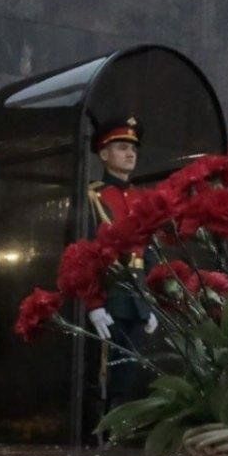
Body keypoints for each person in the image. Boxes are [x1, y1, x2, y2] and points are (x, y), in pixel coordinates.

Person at [85, 116, 156, 411]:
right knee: (105, 376)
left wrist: (151, 301)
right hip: (110, 295)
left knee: (130, 377)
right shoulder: (94, 195)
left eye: (134, 149)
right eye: (122, 147)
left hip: (137, 298)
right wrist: (93, 303)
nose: (130, 154)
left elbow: (150, 252)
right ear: (104, 154)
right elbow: (87, 252)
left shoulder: (141, 198)